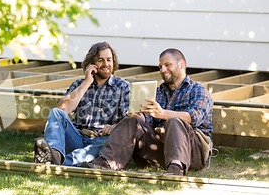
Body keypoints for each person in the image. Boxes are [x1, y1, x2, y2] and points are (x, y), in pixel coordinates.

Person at [82, 48, 213, 176]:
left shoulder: (198, 90)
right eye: (160, 66)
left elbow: (194, 117)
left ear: (181, 64)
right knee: (132, 121)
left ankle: (176, 169)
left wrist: (163, 114)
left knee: (174, 122)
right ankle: (105, 163)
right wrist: (139, 116)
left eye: (167, 65)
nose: (163, 70)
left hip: (192, 153)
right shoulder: (158, 92)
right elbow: (147, 119)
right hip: (161, 149)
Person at [33, 42, 130, 166]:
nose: (106, 64)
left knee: (107, 142)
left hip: (101, 141)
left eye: (109, 60)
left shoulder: (122, 86)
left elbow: (128, 121)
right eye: (100, 60)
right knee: (55, 112)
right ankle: (54, 153)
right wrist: (87, 83)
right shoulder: (79, 84)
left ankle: (58, 162)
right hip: (77, 137)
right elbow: (63, 109)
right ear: (91, 64)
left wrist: (113, 127)